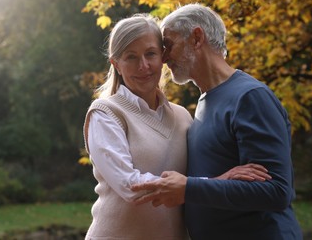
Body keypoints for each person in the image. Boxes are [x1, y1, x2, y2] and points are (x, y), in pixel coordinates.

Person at [83, 13, 271, 239]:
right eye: (131, 57)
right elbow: (129, 186)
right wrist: (214, 183)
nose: (143, 66)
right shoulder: (105, 113)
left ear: (163, 57)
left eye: (150, 54)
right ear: (116, 65)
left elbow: (198, 175)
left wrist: (226, 183)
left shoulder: (182, 116)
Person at [131, 4, 303, 240]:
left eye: (168, 45)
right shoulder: (204, 102)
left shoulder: (250, 97)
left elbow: (276, 191)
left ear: (197, 38)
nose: (164, 56)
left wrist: (188, 189)